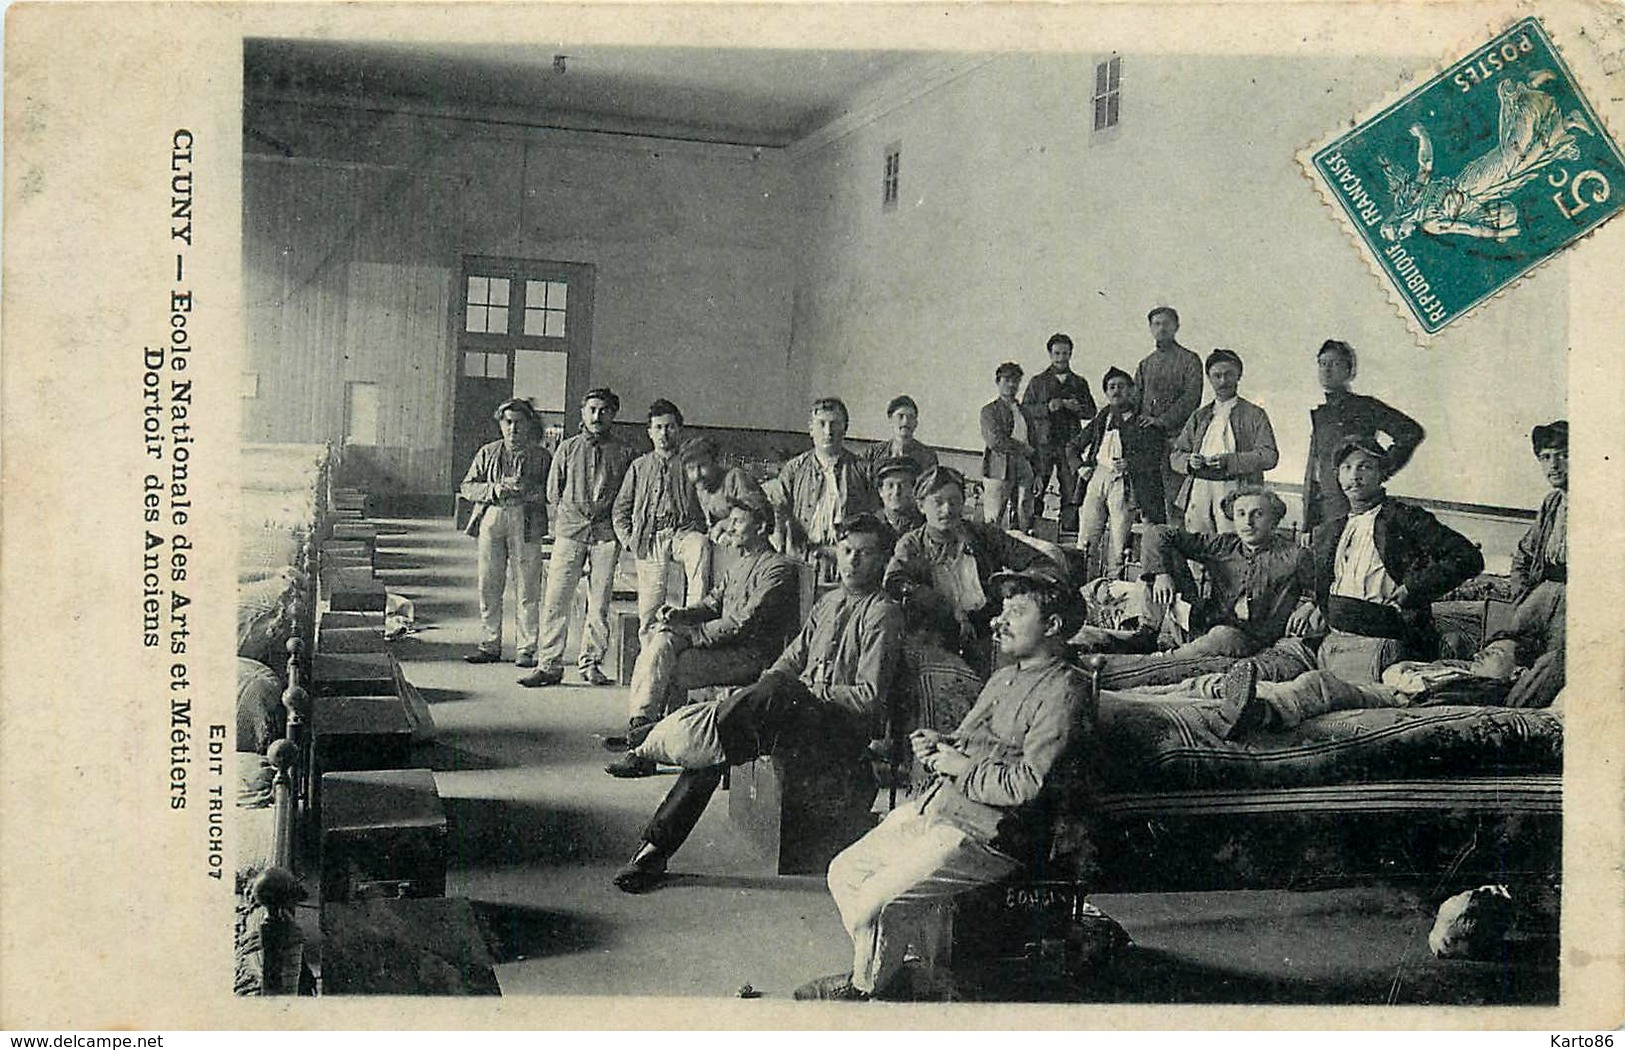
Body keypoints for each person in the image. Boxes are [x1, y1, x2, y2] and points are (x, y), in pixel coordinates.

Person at [794, 563, 1090, 1002]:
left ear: (1053, 626)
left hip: (994, 833)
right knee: (845, 871)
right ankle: (898, 973)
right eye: (1002, 610)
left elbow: (1030, 784)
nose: (999, 620)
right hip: (944, 807)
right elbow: (965, 740)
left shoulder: (1065, 692)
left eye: (1016, 612)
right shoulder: (1007, 676)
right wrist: (940, 744)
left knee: (879, 901)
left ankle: (870, 986)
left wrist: (957, 764)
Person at [612, 514, 904, 893]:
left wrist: (804, 690)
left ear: (881, 560)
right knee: (717, 747)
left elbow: (868, 698)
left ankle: (662, 736)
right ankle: (652, 851)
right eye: (846, 550)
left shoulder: (882, 613)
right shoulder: (829, 602)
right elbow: (791, 659)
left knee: (741, 718)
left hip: (840, 731)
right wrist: (771, 686)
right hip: (797, 714)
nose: (852, 560)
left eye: (864, 554)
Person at [603, 493, 800, 778]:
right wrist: (680, 614)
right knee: (662, 641)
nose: (731, 528)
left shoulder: (777, 568)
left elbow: (742, 623)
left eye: (738, 522)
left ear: (760, 527)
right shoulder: (740, 563)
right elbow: (712, 604)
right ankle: (643, 735)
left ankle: (644, 742)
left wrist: (693, 634)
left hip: (749, 657)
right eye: (730, 521)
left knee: (665, 664)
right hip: (723, 648)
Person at [884, 466, 1060, 673]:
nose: (947, 510)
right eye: (938, 502)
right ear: (921, 506)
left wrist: (1016, 588)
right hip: (938, 633)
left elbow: (1039, 562)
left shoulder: (982, 535)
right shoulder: (912, 544)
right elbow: (895, 580)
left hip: (988, 629)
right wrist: (943, 607)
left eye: (954, 501)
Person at [522, 387, 637, 688]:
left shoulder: (625, 453)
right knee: (557, 598)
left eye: (604, 410)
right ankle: (549, 664)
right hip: (571, 532)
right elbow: (552, 492)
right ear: (583, 413)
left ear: (613, 415)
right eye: (592, 410)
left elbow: (628, 497)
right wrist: (572, 513)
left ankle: (591, 663)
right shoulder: (567, 449)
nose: (597, 416)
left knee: (599, 602)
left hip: (606, 535)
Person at [1136, 486, 1314, 658]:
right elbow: (1157, 532)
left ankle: (1161, 660)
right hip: (1205, 625)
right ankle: (1148, 634)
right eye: (1241, 514)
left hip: (1249, 640)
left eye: (1257, 514)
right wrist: (1161, 574)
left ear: (1274, 520)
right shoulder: (1224, 545)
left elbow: (1328, 585)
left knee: (1223, 635)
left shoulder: (1295, 555)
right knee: (1163, 557)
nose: (1248, 522)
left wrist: (1311, 605)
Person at [458, 398, 552, 666]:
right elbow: (467, 487)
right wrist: (494, 489)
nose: (513, 428)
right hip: (492, 515)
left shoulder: (542, 457)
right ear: (501, 425)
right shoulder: (488, 453)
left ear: (529, 425)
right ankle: (489, 644)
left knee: (527, 586)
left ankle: (526, 648)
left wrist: (529, 491)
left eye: (519, 422)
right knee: (489, 583)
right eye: (508, 422)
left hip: (527, 519)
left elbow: (553, 491)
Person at [1301, 339, 1426, 532]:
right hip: (1324, 510)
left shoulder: (1365, 406)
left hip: (1356, 505)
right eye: (1322, 363)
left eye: (1335, 364)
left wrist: (1382, 468)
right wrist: (1307, 524)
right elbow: (1314, 471)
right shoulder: (1322, 414)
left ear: (1350, 372)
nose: (1326, 370)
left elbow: (1411, 432)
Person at [613, 399, 710, 633]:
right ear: (650, 433)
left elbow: (708, 502)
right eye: (658, 428)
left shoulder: (691, 464)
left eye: (669, 427)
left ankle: (693, 621)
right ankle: (648, 648)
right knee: (650, 604)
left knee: (700, 546)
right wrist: (629, 539)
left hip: (683, 533)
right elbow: (620, 509)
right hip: (650, 537)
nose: (664, 433)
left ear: (679, 430)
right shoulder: (639, 466)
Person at [1169, 349, 1279, 535]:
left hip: (1235, 488)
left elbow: (1269, 456)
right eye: (1217, 376)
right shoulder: (1200, 416)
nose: (1223, 381)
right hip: (1200, 488)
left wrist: (1230, 461)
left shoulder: (1254, 414)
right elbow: (1176, 455)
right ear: (1209, 378)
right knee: (1197, 544)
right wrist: (1189, 461)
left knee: (1232, 544)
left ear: (1239, 375)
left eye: (1229, 375)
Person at [1075, 366, 1165, 578]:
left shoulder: (1144, 422)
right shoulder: (1102, 417)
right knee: (1086, 537)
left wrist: (1131, 464)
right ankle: (1082, 584)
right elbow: (1074, 445)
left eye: (1122, 387)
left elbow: (1154, 457)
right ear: (1106, 392)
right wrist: (1081, 467)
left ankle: (1113, 586)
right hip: (1098, 477)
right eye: (1112, 387)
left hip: (1123, 482)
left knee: (1119, 540)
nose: (1116, 391)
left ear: (1132, 391)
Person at [776, 397, 878, 566]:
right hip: (802, 558)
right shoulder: (794, 468)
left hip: (847, 560)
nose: (828, 431)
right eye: (821, 424)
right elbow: (778, 507)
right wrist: (781, 535)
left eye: (834, 424)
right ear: (811, 429)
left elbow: (875, 517)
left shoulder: (863, 470)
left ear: (845, 428)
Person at [1133, 307, 1205, 523]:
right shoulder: (1145, 364)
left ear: (1176, 326)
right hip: (1148, 444)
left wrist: (1162, 421)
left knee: (1175, 503)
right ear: (1150, 329)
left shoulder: (1190, 360)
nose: (1161, 328)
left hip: (1176, 441)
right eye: (1156, 324)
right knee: (1149, 504)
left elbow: (1191, 399)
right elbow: (1136, 401)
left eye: (1166, 323)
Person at [1021, 334, 1097, 536]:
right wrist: (1047, 407)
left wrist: (1076, 408)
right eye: (1057, 353)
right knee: (1036, 490)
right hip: (1043, 446)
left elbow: (1092, 412)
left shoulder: (1079, 383)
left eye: (1065, 353)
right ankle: (1029, 534)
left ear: (1071, 354)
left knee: (1071, 492)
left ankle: (1069, 537)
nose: (1061, 358)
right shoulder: (1037, 382)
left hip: (1069, 446)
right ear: (1049, 354)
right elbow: (1025, 410)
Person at [1511, 421, 1567, 606]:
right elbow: (1523, 555)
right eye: (1546, 457)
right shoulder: (1552, 503)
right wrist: (1521, 598)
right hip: (1540, 601)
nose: (1554, 465)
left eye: (1564, 456)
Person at [677, 435, 767, 542]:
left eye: (703, 466)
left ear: (715, 462)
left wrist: (723, 524)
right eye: (691, 469)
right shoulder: (699, 487)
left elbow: (758, 516)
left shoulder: (735, 478)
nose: (697, 474)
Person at [979, 362, 1036, 531]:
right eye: (1007, 380)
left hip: (1024, 466)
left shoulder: (1025, 412)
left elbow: (1034, 443)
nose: (1012, 385)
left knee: (1024, 512)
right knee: (994, 516)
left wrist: (1037, 471)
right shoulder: (989, 411)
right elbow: (995, 441)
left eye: (1016, 381)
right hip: (999, 467)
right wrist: (1022, 448)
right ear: (998, 382)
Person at [862, 395, 939, 482]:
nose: (905, 422)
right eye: (900, 416)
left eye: (911, 417)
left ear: (916, 423)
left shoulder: (927, 456)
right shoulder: (872, 454)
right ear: (890, 420)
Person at [874, 456, 926, 535]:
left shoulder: (925, 525)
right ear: (880, 491)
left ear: (915, 490)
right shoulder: (871, 526)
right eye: (890, 486)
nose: (896, 492)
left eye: (903, 485)